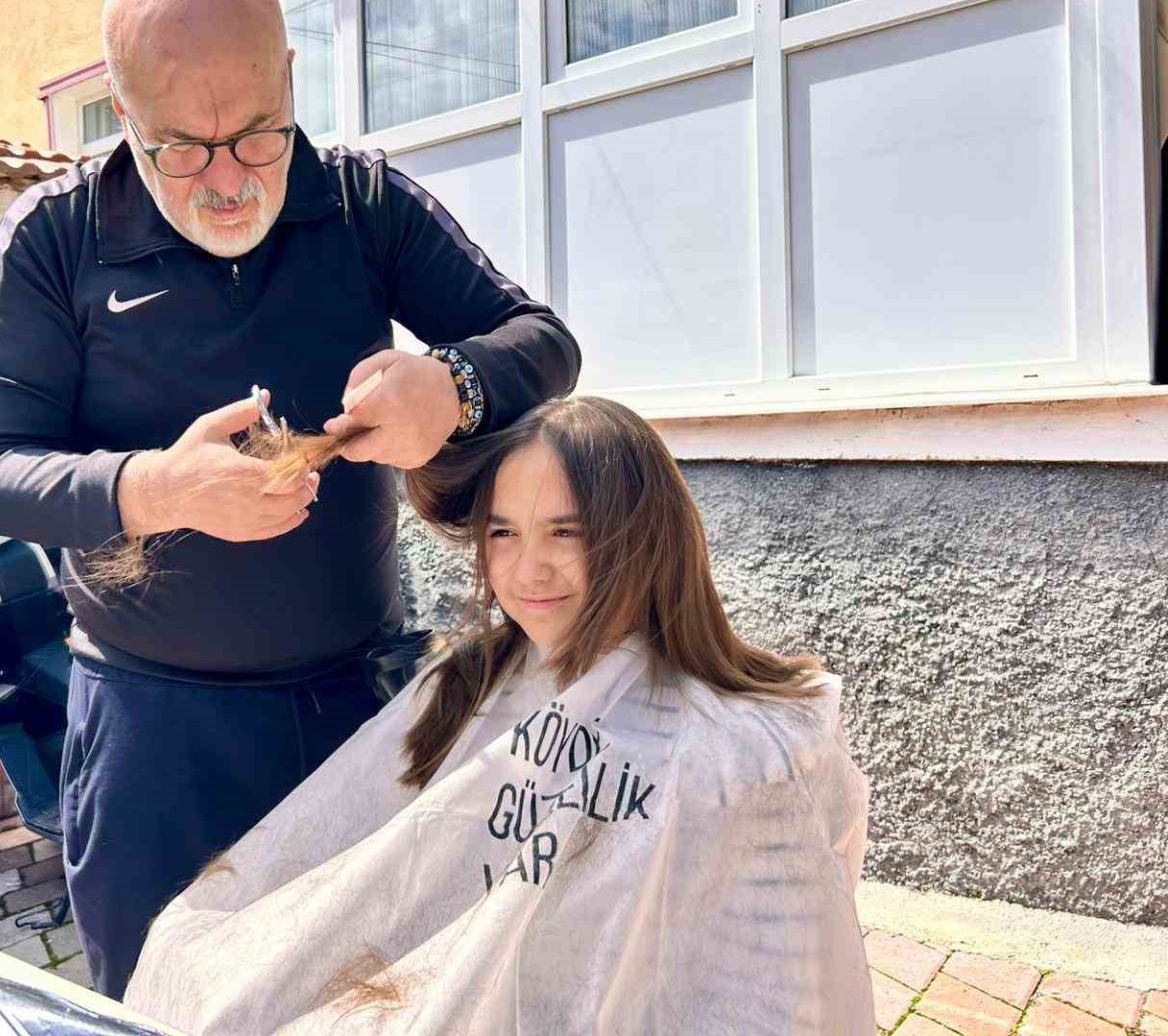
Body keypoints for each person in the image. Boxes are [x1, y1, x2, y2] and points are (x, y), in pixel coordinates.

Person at [0, 0, 580, 998]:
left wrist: (453, 388)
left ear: (290, 79)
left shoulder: (362, 202)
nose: (229, 179)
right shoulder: (55, 238)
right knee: (154, 1005)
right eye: (182, 150)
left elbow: (544, 342)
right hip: (151, 730)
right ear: (121, 112)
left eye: (258, 133)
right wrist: (155, 489)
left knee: (366, 1001)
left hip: (356, 707)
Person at [125, 397, 875, 1034]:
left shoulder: (745, 748)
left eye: (566, 532)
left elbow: (777, 991)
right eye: (504, 532)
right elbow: (376, 871)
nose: (528, 568)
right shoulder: (467, 682)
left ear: (647, 538)